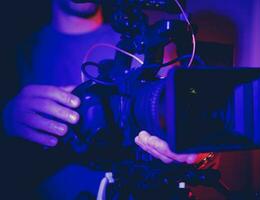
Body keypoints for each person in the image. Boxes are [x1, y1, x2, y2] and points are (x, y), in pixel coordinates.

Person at [1, 0, 219, 199]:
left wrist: (199, 155)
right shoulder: (13, 56)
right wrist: (5, 123)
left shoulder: (149, 42)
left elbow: (203, 135)